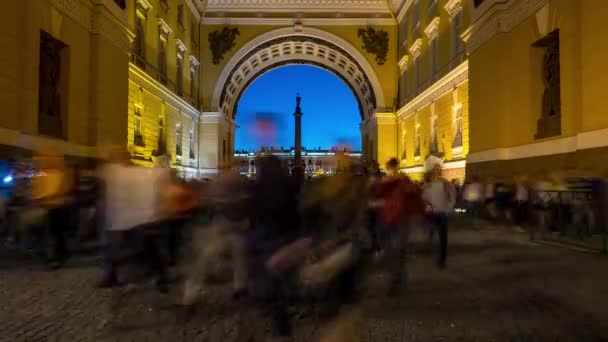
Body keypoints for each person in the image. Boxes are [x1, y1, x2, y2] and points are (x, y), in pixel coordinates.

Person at [373, 158, 424, 295]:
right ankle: (397, 282)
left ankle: (396, 283)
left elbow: (415, 193)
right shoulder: (386, 182)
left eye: (392, 168)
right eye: (390, 168)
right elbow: (376, 195)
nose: (391, 171)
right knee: (392, 253)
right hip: (389, 220)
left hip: (399, 220)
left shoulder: (403, 181)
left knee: (397, 252)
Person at [31, 153, 74, 269]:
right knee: (52, 234)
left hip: (56, 207)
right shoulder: (42, 174)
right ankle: (55, 256)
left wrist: (43, 197)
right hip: (47, 207)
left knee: (55, 234)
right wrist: (37, 198)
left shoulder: (59, 174)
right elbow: (36, 189)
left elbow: (63, 190)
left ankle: (56, 257)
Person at [422, 161, 455, 269]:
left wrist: (449, 208)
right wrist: (426, 206)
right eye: (435, 168)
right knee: (429, 232)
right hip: (431, 213)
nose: (437, 170)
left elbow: (452, 195)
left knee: (443, 237)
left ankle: (442, 259)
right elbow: (424, 197)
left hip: (441, 213)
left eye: (438, 168)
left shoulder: (445, 183)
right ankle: (428, 248)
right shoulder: (428, 184)